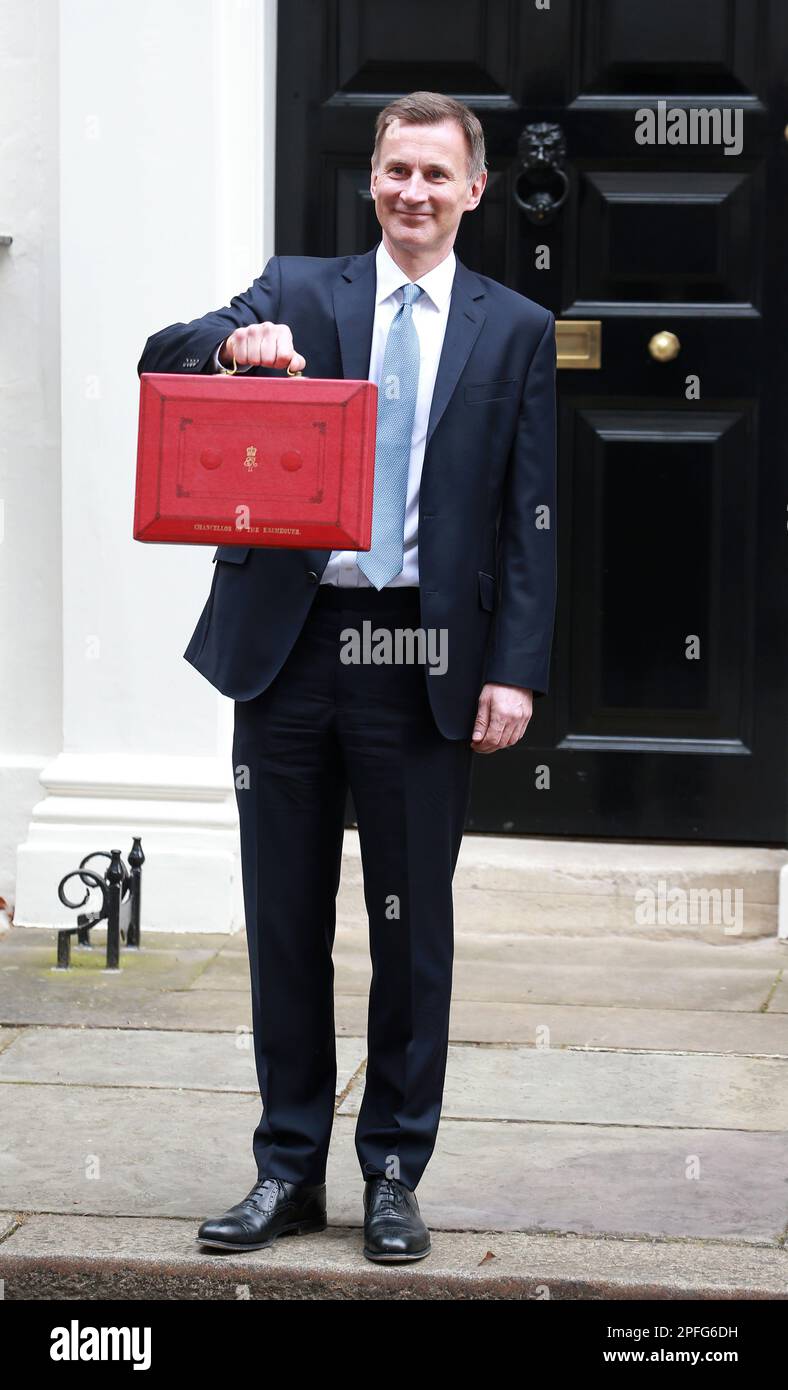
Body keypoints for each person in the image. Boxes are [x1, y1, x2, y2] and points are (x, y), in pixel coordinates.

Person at [137, 90, 557, 1264]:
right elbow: (158, 356)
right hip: (290, 648)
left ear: (472, 190)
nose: (411, 192)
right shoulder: (295, 289)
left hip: (423, 656)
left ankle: (390, 1172)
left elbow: (532, 523)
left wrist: (513, 672)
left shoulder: (513, 328)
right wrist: (231, 345)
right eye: (394, 171)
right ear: (369, 180)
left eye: (435, 173)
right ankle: (284, 1169)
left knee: (410, 928)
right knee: (282, 920)